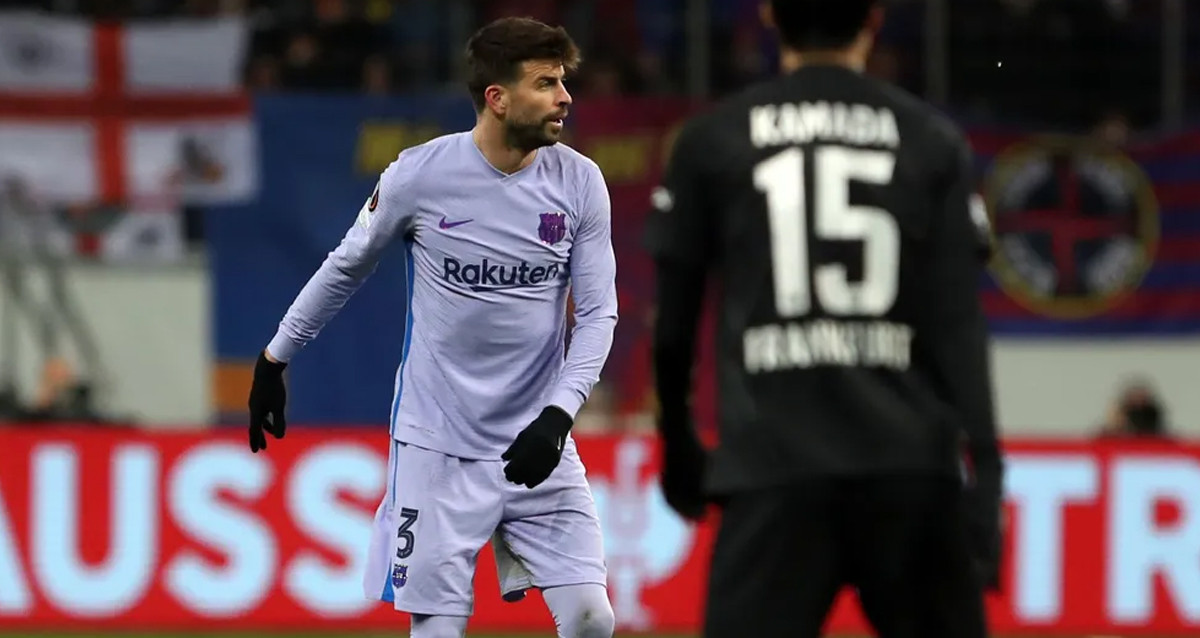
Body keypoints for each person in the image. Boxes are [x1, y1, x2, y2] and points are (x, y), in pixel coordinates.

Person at [246, 17, 618, 638]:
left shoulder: (579, 181)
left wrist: (559, 415)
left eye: (563, 81)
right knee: (439, 629)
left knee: (591, 619)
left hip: (538, 439)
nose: (565, 97)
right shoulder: (420, 175)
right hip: (437, 445)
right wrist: (274, 358)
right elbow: (344, 269)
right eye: (546, 83)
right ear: (497, 98)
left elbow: (600, 312)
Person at [645, 1, 1003, 636]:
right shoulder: (930, 139)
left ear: (768, 16)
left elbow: (673, 325)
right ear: (874, 17)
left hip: (771, 465)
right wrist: (986, 476)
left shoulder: (711, 140)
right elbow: (958, 327)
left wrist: (678, 447)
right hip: (909, 466)